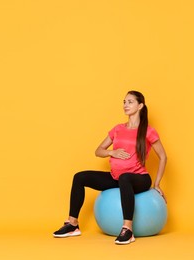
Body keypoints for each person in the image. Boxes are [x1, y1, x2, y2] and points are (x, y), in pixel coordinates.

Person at [53, 90, 167, 245]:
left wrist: (157, 184)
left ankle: (128, 229)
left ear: (140, 106)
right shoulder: (118, 129)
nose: (125, 105)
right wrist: (112, 151)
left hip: (139, 178)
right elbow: (98, 151)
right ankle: (72, 224)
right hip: (117, 178)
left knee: (125, 177)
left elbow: (163, 157)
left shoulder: (148, 131)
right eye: (124, 102)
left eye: (130, 102)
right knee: (80, 177)